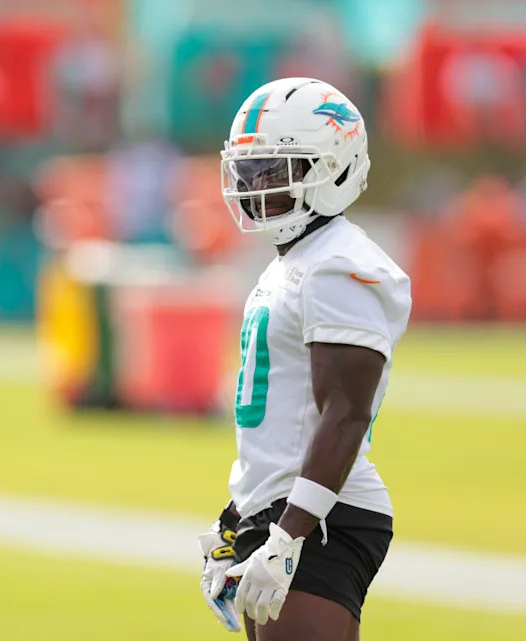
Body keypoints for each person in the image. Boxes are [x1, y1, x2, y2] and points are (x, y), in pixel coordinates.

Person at [198, 78, 412, 640]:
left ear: (334, 168)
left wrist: (289, 532)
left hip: (319, 514)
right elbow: (285, 417)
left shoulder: (341, 264)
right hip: (288, 508)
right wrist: (236, 516)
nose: (257, 188)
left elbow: (345, 413)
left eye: (276, 171)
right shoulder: (295, 262)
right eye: (250, 172)